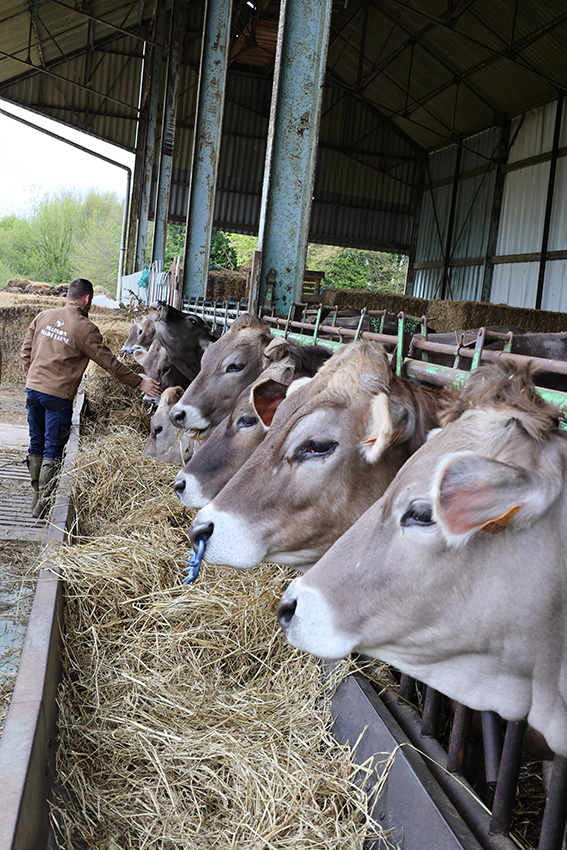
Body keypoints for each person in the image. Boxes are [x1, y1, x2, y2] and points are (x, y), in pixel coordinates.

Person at [21, 278, 162, 517]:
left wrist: (33, 379)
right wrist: (140, 382)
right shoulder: (85, 328)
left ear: (68, 295)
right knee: (53, 448)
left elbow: (25, 352)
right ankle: (43, 505)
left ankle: (36, 496)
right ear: (87, 299)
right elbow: (110, 364)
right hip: (58, 396)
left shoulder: (43, 316)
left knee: (36, 442)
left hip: (33, 390)